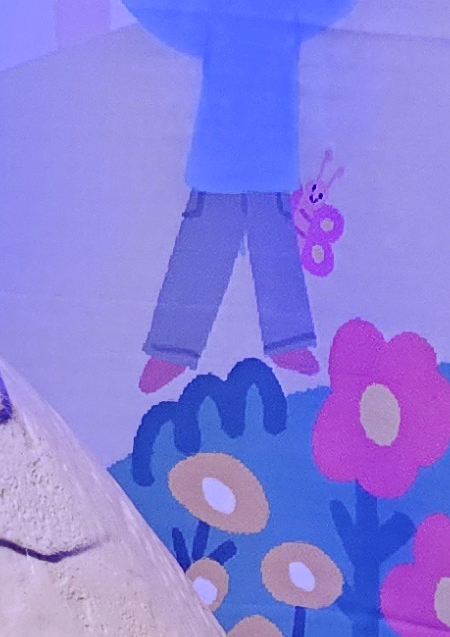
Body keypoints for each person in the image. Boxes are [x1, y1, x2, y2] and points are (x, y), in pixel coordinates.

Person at [136, 0, 355, 395]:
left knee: (275, 252)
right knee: (203, 250)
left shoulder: (285, 10)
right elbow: (168, 17)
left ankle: (287, 342)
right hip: (222, 157)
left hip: (264, 157)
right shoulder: (216, 13)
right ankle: (172, 348)